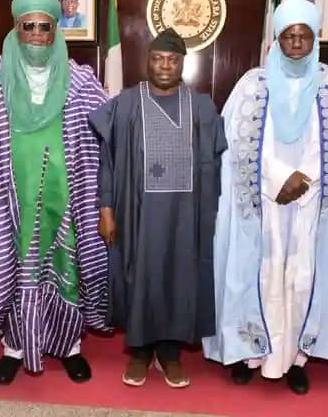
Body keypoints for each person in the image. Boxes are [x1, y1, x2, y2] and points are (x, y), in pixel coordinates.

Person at [0, 0, 109, 384]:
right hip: (7, 200)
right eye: (28, 26)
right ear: (16, 28)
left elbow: (108, 133)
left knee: (67, 268)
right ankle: (14, 348)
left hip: (66, 202)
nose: (36, 34)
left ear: (56, 30)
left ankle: (69, 346)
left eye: (44, 26)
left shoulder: (80, 80)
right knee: (11, 269)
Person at [202, 0, 328, 395]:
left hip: (311, 204)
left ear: (316, 38)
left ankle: (295, 358)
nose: (296, 42)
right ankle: (249, 353)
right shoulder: (251, 85)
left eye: (304, 35)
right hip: (262, 203)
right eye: (288, 35)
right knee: (257, 273)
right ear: (276, 38)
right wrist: (278, 178)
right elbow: (233, 143)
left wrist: (302, 179)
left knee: (301, 276)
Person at [89, 28, 226, 388]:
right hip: (137, 214)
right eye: (158, 59)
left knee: (179, 279)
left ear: (183, 64)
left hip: (185, 216)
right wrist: (106, 209)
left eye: (173, 59)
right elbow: (107, 162)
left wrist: (212, 214)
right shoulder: (125, 105)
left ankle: (170, 353)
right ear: (147, 62)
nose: (165, 65)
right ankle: (140, 351)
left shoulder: (201, 107)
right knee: (140, 276)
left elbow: (216, 166)